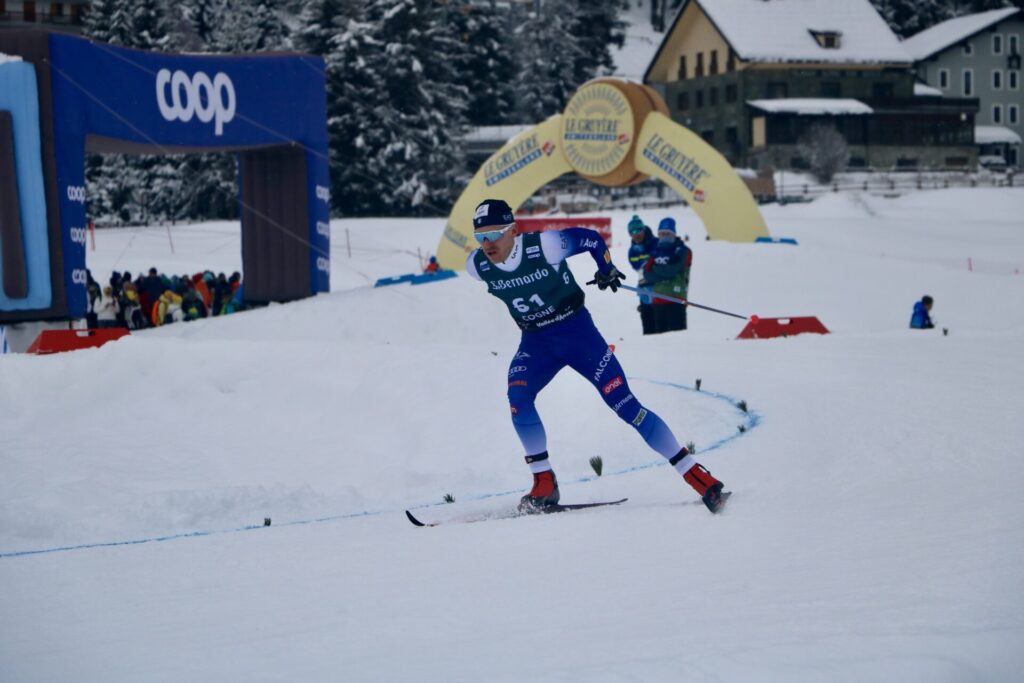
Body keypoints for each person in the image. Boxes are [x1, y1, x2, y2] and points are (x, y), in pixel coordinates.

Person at [465, 198, 728, 514]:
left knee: (625, 405)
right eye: (481, 237)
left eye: (494, 234)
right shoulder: (476, 266)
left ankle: (696, 475)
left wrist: (605, 268)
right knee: (518, 398)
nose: (487, 244)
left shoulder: (545, 246)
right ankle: (544, 483)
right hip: (536, 343)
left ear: (514, 231)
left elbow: (590, 238)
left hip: (578, 335)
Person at [642, 217, 691, 333]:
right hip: (658, 300)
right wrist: (661, 271)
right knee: (661, 342)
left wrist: (655, 269)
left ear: (673, 234)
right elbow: (647, 275)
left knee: (677, 338)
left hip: (676, 299)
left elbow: (671, 271)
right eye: (661, 234)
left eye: (668, 233)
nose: (664, 236)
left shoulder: (682, 250)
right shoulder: (655, 252)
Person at [626, 215, 658, 335]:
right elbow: (636, 266)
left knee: (660, 326)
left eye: (638, 231)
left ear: (643, 229)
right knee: (648, 325)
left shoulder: (656, 243)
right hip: (644, 288)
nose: (636, 234)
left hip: (659, 288)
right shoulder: (632, 250)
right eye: (632, 232)